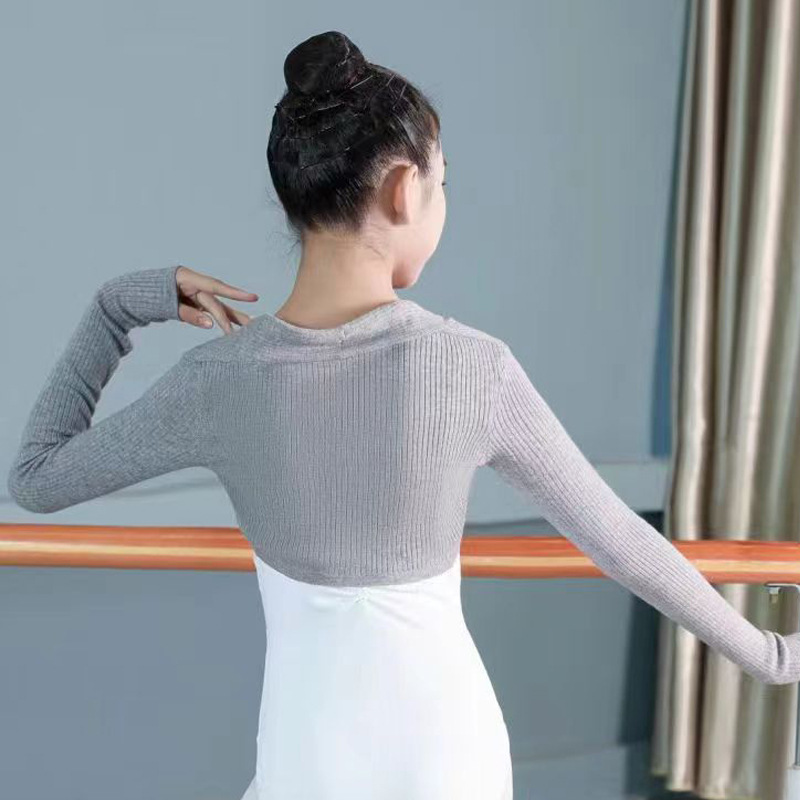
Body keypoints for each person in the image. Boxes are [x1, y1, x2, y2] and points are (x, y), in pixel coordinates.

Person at [8, 30, 800, 800]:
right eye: (443, 182)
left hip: (305, 759)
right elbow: (621, 541)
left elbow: (36, 478)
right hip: (448, 759)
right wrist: (771, 656)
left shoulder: (218, 380)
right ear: (403, 187)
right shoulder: (471, 368)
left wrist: (119, 306)